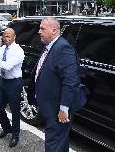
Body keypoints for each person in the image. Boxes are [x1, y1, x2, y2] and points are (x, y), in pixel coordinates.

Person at [34, 17, 81, 152]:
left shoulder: (63, 48)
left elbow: (71, 80)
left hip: (57, 110)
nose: (39, 32)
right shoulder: (50, 46)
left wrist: (64, 108)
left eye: (42, 29)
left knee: (54, 144)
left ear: (54, 31)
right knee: (59, 142)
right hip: (50, 106)